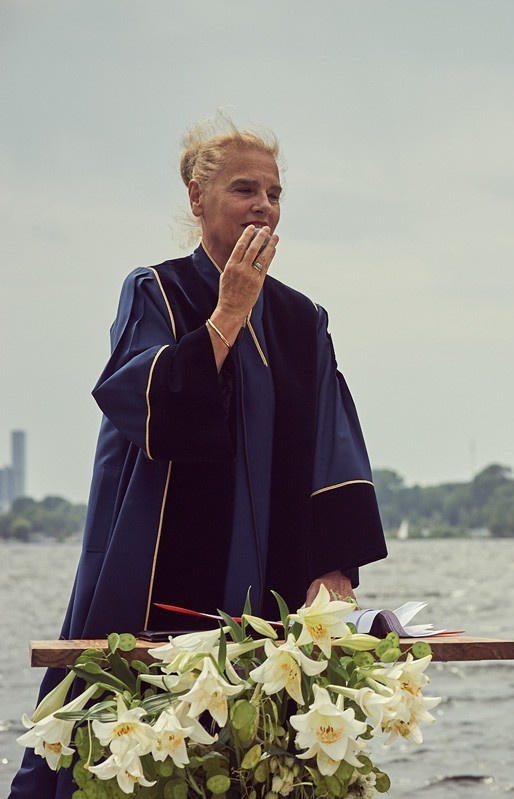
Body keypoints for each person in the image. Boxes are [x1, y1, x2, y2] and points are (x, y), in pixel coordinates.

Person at [10, 116, 389, 799]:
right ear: (196, 198)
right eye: (245, 189)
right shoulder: (156, 290)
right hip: (157, 567)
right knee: (121, 749)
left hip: (274, 574)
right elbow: (136, 399)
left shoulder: (305, 319)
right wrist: (225, 317)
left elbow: (334, 436)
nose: (264, 206)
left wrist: (333, 566)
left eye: (274, 193)